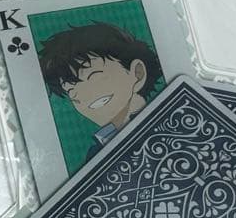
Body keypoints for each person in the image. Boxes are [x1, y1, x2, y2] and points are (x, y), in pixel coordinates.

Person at [39, 22, 163, 162]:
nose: (81, 96)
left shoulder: (165, 121)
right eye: (71, 91)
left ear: (137, 73)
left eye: (95, 77)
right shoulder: (96, 153)